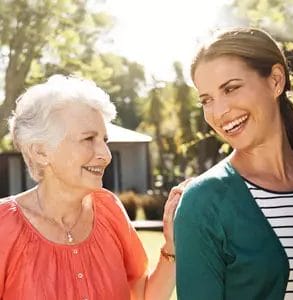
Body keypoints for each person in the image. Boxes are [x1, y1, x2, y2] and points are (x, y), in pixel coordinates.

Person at [0, 74, 181, 300]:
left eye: (104, 140)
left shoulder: (109, 208)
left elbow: (144, 296)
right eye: (88, 139)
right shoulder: (4, 225)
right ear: (41, 152)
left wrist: (172, 245)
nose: (105, 155)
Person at [174, 27, 293, 300]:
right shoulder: (203, 202)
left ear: (275, 81)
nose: (219, 112)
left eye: (231, 88)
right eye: (207, 100)